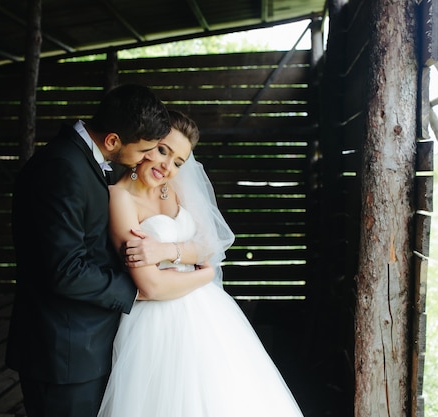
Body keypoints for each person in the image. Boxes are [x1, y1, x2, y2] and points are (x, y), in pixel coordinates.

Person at [6, 85, 215, 417]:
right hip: (65, 350)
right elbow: (66, 270)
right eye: (149, 149)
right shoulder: (63, 167)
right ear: (114, 140)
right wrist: (139, 291)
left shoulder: (81, 162)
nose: (150, 158)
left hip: (91, 343)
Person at [98, 110, 305, 417]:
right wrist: (203, 274)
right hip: (157, 324)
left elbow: (210, 243)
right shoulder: (119, 198)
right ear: (147, 142)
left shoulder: (175, 186)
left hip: (210, 316)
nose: (167, 166)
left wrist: (168, 249)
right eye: (163, 150)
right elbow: (151, 285)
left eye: (178, 162)